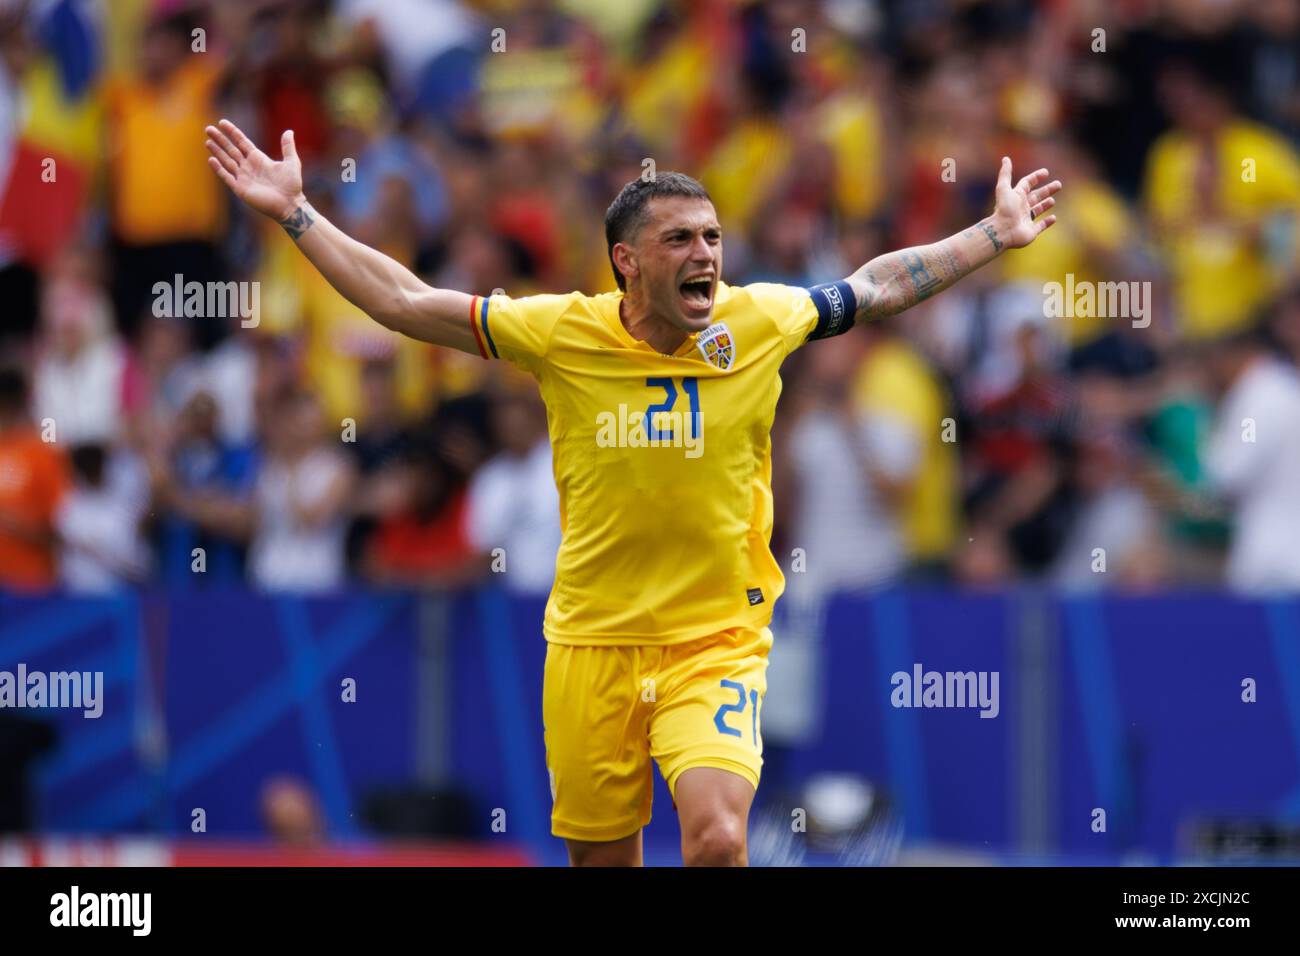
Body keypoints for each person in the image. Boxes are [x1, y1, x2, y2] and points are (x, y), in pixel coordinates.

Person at [205, 118, 1061, 866]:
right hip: (591, 645)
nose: (706, 256)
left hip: (715, 638)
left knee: (720, 838)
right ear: (627, 261)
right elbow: (403, 299)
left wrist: (992, 232)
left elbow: (877, 286)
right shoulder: (558, 333)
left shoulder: (757, 320)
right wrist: (295, 213)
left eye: (714, 238)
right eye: (681, 240)